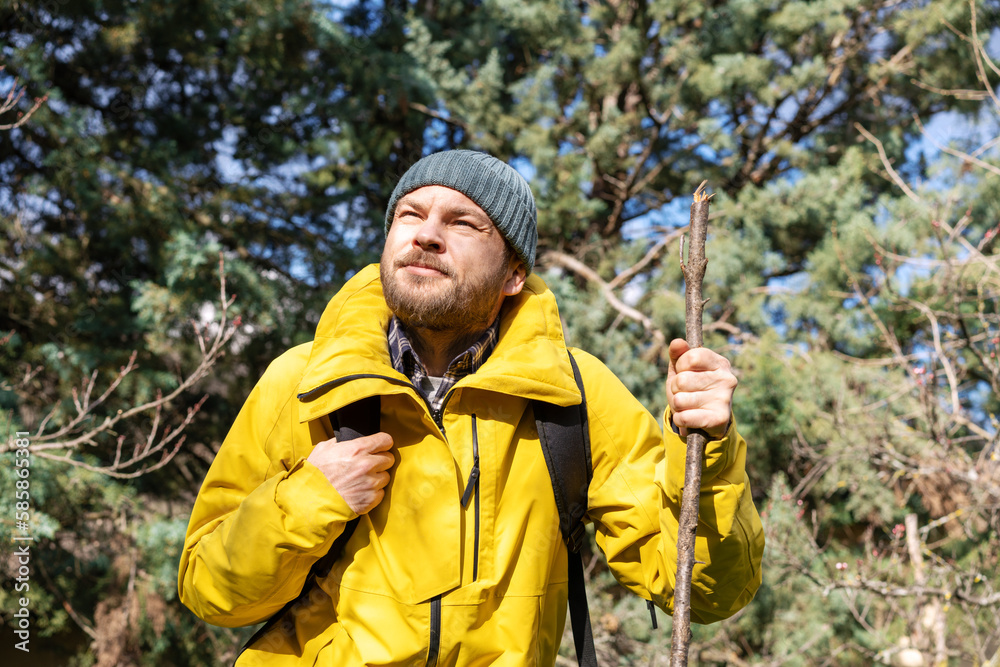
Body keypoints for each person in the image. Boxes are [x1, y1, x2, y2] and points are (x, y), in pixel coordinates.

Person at [178, 149, 764, 666]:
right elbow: (211, 591)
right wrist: (311, 498)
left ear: (513, 274)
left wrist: (707, 452)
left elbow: (706, 591)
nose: (426, 234)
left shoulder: (574, 397)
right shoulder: (304, 382)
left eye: (463, 222)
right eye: (410, 215)